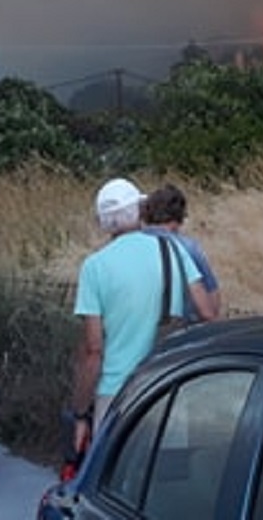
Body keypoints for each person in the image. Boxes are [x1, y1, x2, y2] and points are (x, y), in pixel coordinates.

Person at [69, 178, 218, 458]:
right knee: (165, 481)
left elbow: (93, 351)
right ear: (139, 209)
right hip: (166, 384)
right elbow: (208, 312)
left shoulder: (94, 267)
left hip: (117, 394)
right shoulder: (174, 250)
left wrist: (80, 413)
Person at [142, 184, 222, 323]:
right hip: (179, 332)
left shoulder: (131, 246)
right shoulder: (188, 247)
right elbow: (210, 307)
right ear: (180, 216)